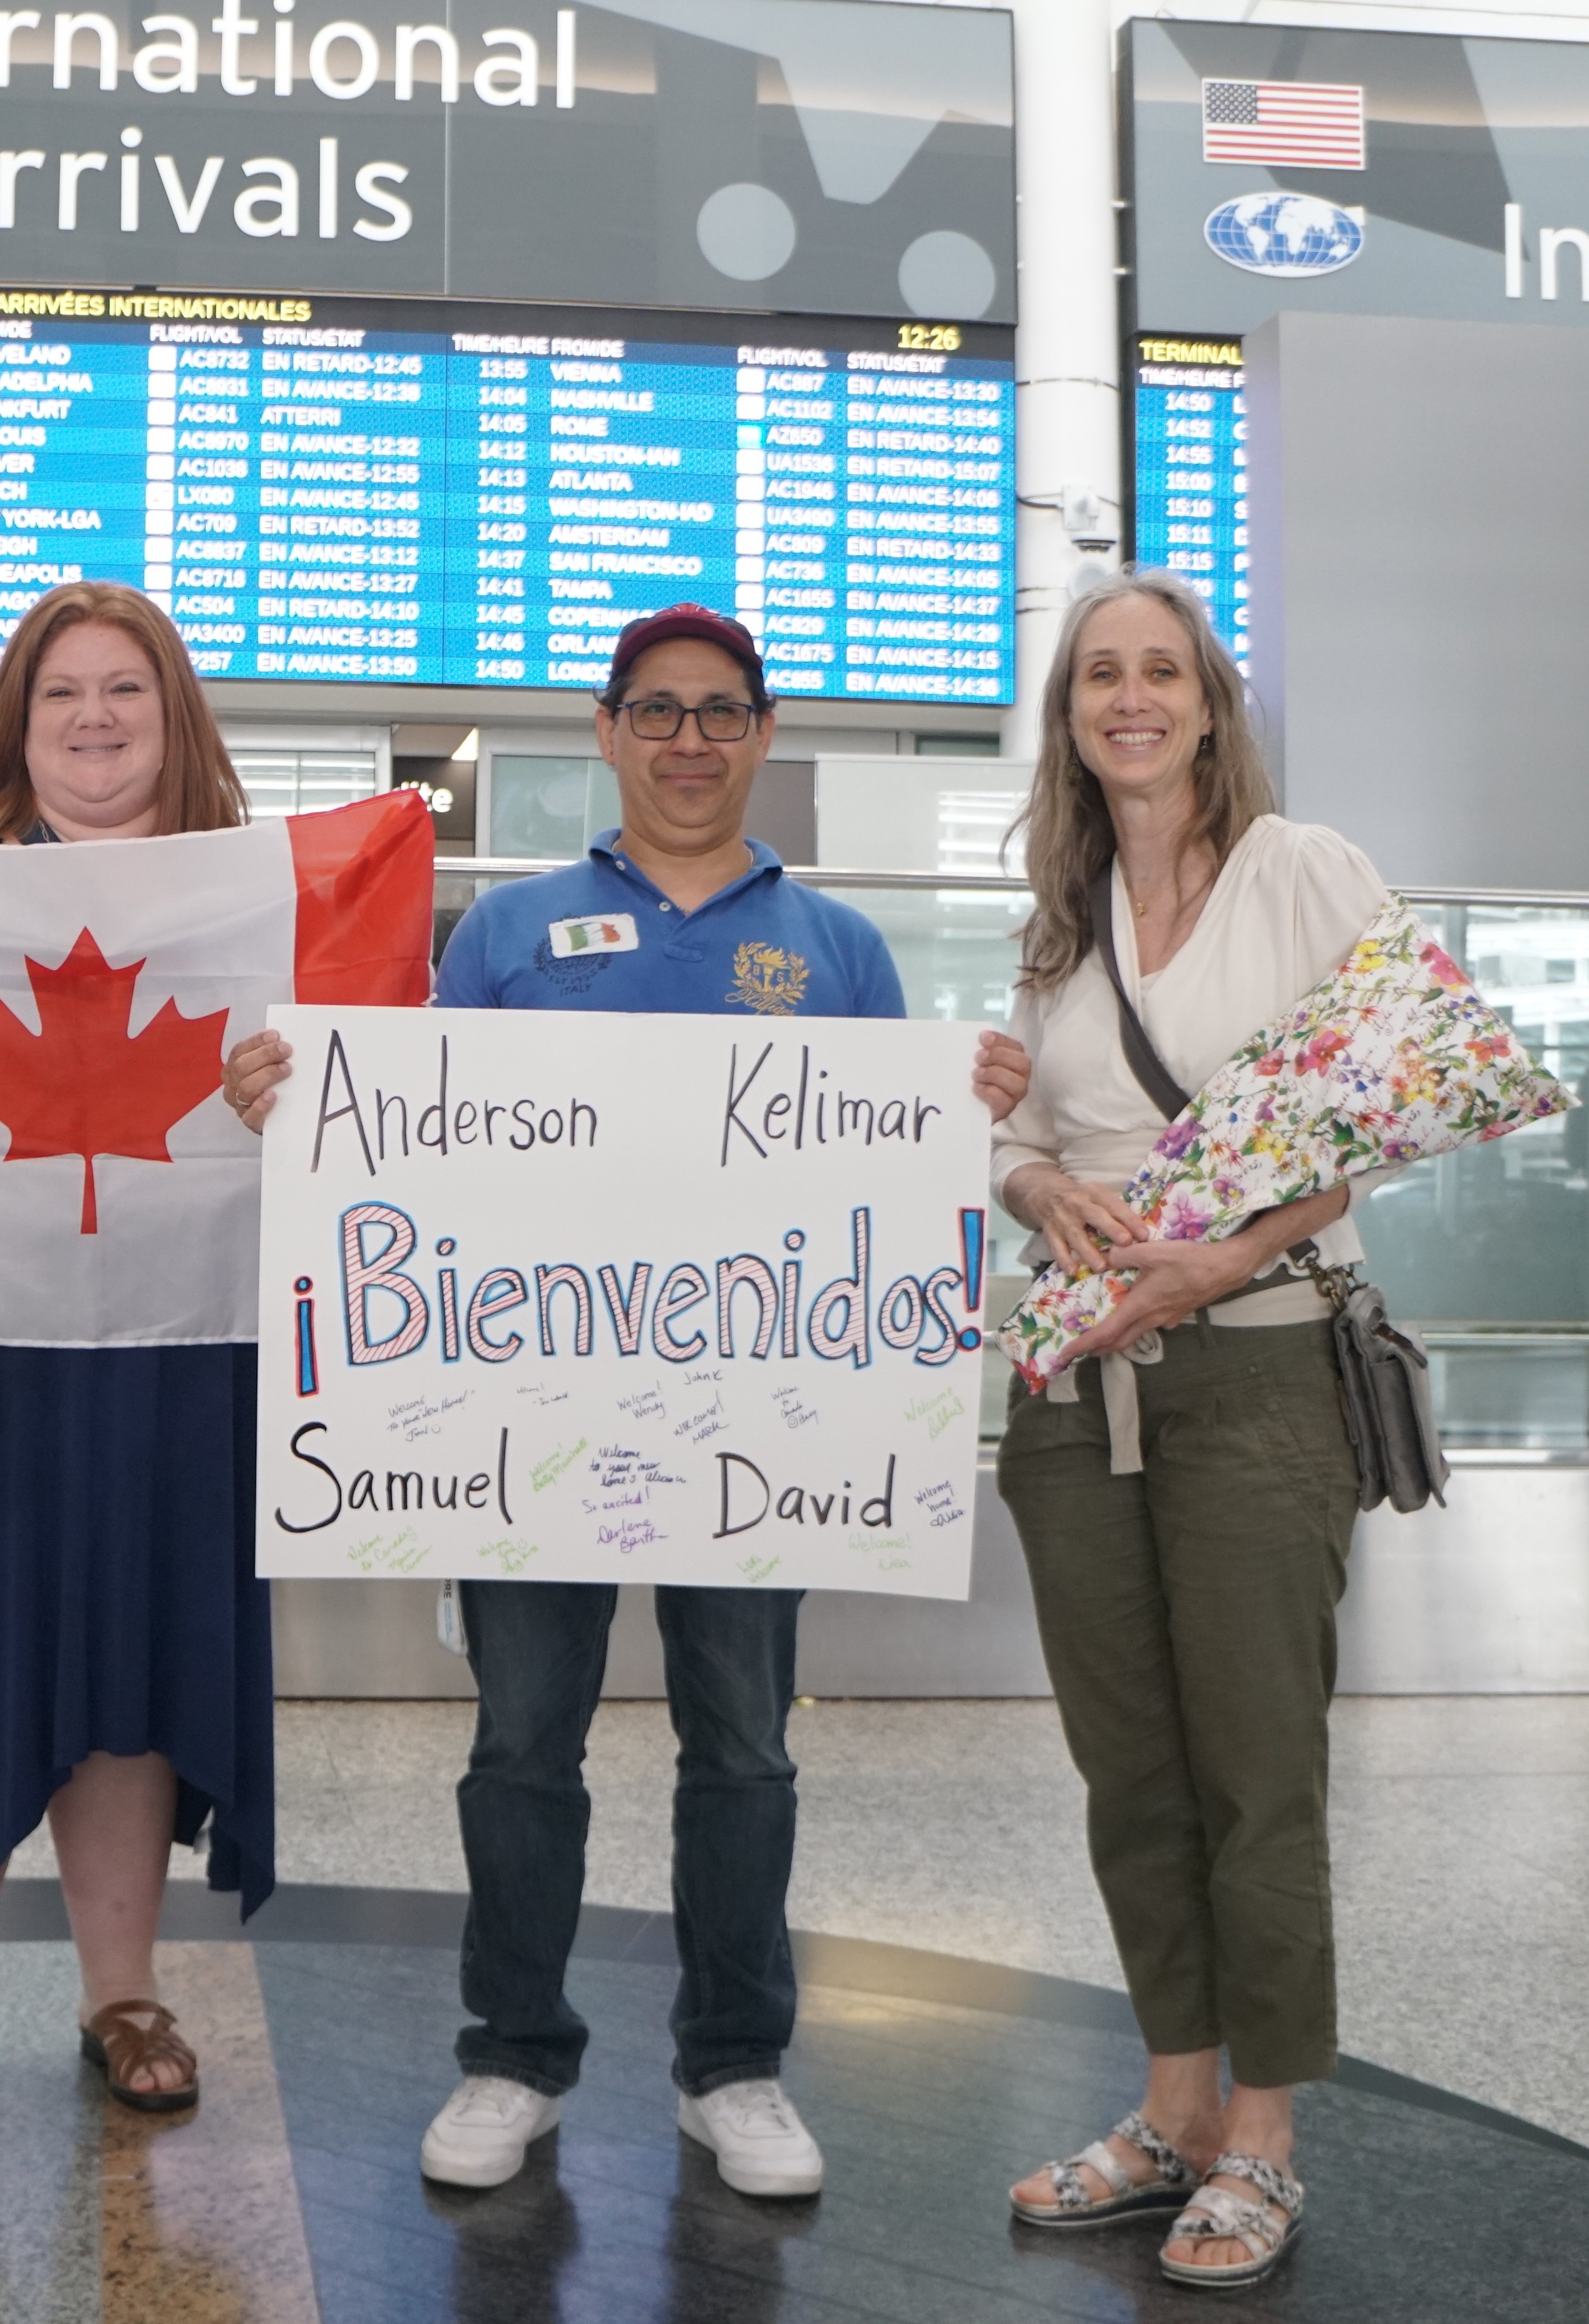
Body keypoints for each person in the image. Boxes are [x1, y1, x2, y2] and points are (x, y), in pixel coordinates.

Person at [226, 604, 1031, 2198]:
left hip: (760, 1426)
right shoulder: (508, 931)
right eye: (654, 711)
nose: (685, 740)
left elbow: (893, 1184)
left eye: (717, 713)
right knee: (522, 1741)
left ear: (760, 733)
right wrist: (297, 1106)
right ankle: (510, 2052)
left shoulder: (837, 950)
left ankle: (732, 2064)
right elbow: (405, 1141)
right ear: (604, 732)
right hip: (535, 1423)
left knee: (742, 1746)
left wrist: (968, 1110)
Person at [990, 572, 1386, 2290]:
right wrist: (1021, 1176)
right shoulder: (1061, 916)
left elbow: (1396, 1093)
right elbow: (1013, 1126)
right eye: (1101, 677)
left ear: (1210, 703)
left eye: (1162, 672)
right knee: (1132, 1775)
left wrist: (1222, 1255)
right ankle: (1173, 2115)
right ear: (1071, 716)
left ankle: (1267, 2139)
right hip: (1079, 1393)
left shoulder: (1303, 873)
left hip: (1254, 1377)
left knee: (1255, 1774)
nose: (1131, 699)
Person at [0, 579, 270, 2127]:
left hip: (179, 1337)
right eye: (59, 694)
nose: (93, 720)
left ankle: (121, 1987)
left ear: (174, 714)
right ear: (11, 723)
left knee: (136, 1665)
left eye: (124, 689)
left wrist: (294, 1087)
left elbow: (376, 1090)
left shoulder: (251, 891)